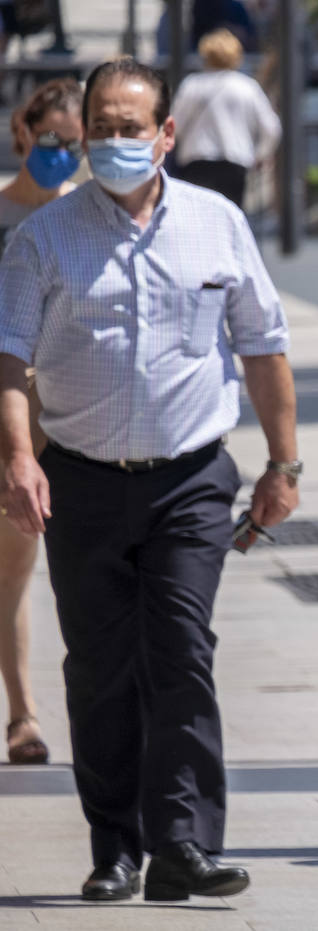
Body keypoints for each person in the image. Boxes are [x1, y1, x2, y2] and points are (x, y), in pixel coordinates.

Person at [0, 57, 300, 902]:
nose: (115, 141)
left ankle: (184, 842)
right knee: (99, 666)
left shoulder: (217, 224)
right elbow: (9, 359)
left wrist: (285, 462)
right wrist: (19, 458)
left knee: (180, 649)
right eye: (103, 127)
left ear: (166, 135)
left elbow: (264, 348)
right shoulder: (42, 240)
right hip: (82, 480)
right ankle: (116, 846)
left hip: (190, 478)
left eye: (132, 127)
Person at [0, 77, 83, 767]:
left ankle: (23, 713)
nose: (59, 152)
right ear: (22, 131)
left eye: (73, 143)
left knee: (15, 565)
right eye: (49, 137)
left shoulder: (81, 223)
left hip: (54, 414)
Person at [170, 28, 280, 207]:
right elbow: (271, 127)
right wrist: (260, 155)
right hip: (234, 163)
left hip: (196, 162)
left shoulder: (192, 85)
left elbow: (176, 126)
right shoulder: (247, 87)